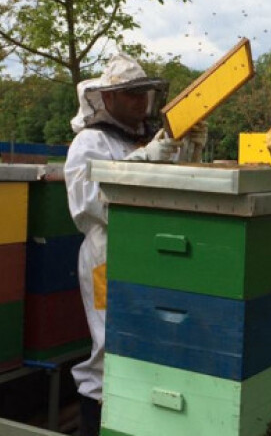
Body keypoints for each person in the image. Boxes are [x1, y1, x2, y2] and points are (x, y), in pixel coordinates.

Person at [63, 53, 207, 436]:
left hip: (149, 252)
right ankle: (94, 425)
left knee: (146, 344)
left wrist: (190, 151)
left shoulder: (143, 140)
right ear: (106, 98)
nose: (140, 101)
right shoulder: (89, 142)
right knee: (111, 344)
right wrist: (145, 160)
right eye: (130, 94)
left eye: (144, 93)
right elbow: (89, 203)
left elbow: (174, 196)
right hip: (108, 253)